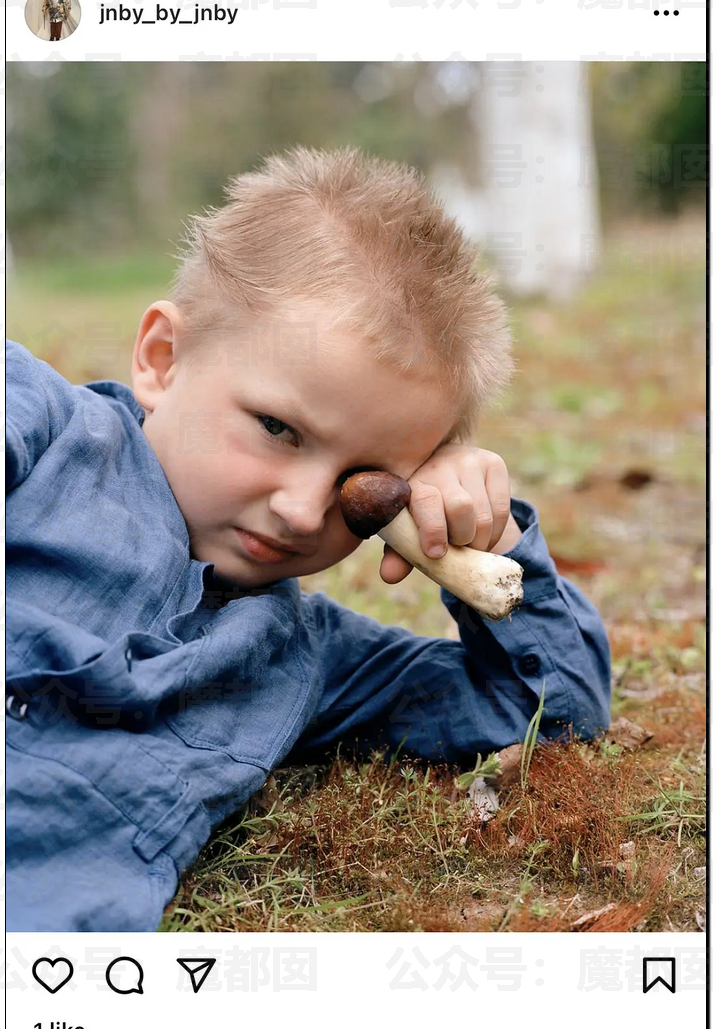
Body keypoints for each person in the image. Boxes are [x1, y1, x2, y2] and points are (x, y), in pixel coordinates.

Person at [6, 146, 611, 932]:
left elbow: (551, 709)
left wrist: (485, 542)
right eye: (277, 428)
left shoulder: (300, 658)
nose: (300, 511)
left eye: (365, 485)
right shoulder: (43, 430)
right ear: (163, 358)